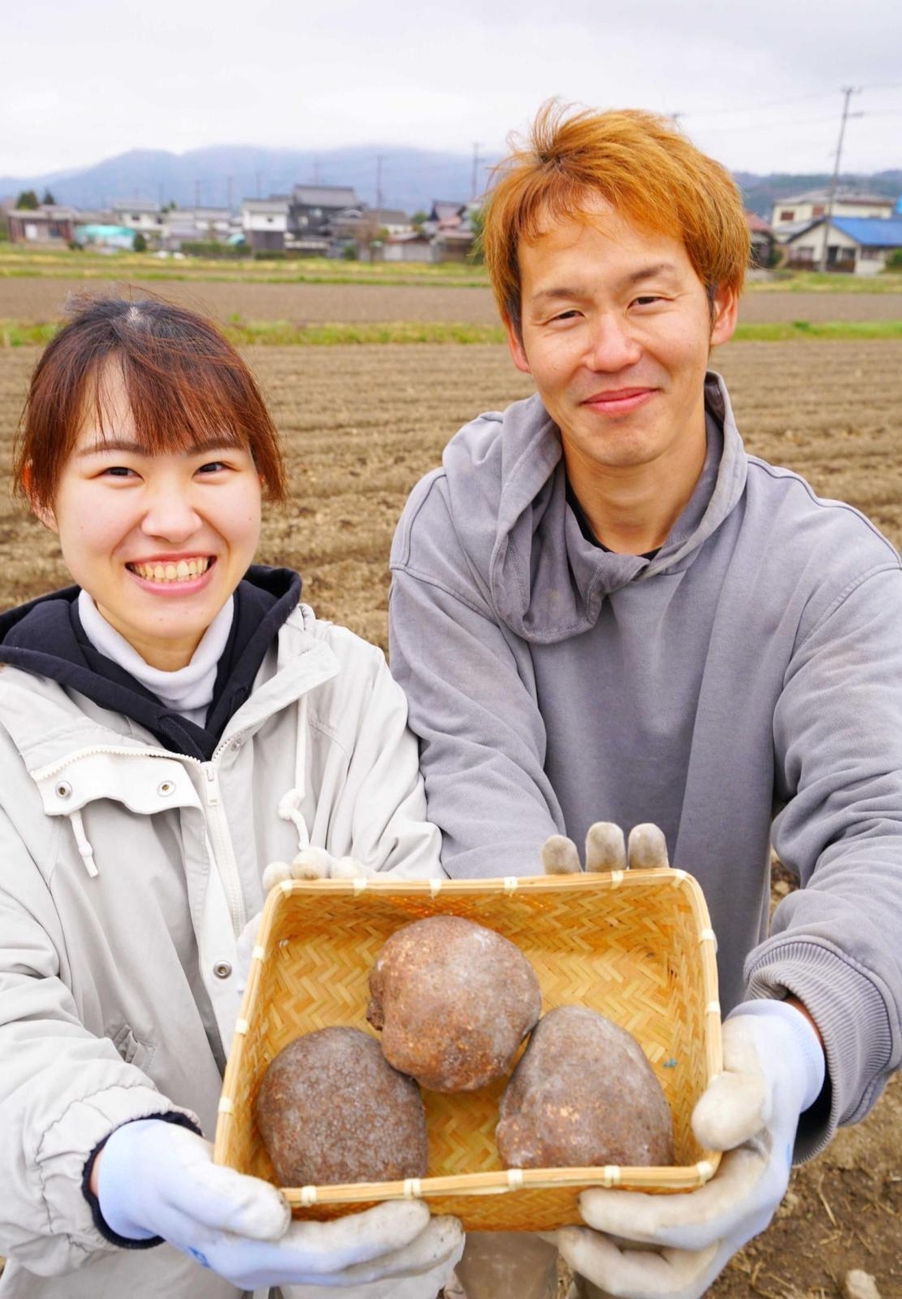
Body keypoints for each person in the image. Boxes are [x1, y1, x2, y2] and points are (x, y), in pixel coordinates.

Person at [389, 102, 902, 1298]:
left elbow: (884, 828)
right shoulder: (459, 532)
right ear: (518, 340)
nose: (609, 347)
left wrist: (787, 1045)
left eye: (647, 297)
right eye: (564, 310)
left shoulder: (827, 574)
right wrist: (550, 1022)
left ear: (718, 305)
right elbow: (474, 779)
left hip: (695, 1053)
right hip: (493, 1036)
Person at [0, 296, 464, 1299]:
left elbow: (415, 940)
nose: (171, 519)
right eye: (119, 471)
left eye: (213, 466)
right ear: (43, 491)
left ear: (261, 479)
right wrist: (122, 1162)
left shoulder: (346, 692)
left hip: (369, 1265)